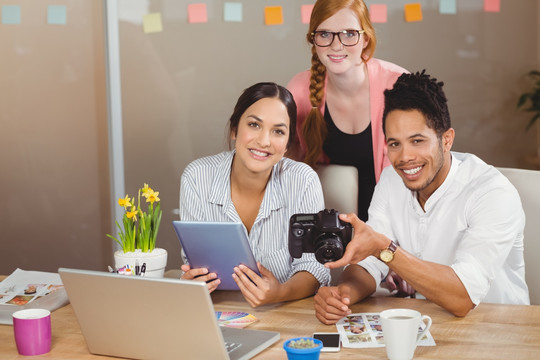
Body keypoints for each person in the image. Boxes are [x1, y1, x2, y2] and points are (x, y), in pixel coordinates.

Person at [313, 71, 530, 322]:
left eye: (417, 140)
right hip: (429, 324)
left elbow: (463, 297)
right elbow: (371, 264)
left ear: (446, 140)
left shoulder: (492, 193)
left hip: (499, 331)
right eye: (394, 144)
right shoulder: (391, 180)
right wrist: (342, 296)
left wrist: (385, 248)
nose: (405, 157)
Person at [179, 82, 330, 307]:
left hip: (286, 313)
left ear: (287, 145)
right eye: (254, 125)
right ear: (234, 129)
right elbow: (196, 264)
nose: (264, 141)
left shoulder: (303, 180)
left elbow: (315, 267)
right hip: (220, 313)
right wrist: (194, 280)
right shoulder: (197, 177)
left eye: (278, 131)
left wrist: (279, 292)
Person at [287, 0, 407, 221]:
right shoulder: (299, 90)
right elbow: (287, 167)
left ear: (365, 39)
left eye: (349, 34)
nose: (336, 45)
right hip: (328, 230)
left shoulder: (399, 85)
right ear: (313, 39)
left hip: (395, 226)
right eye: (325, 34)